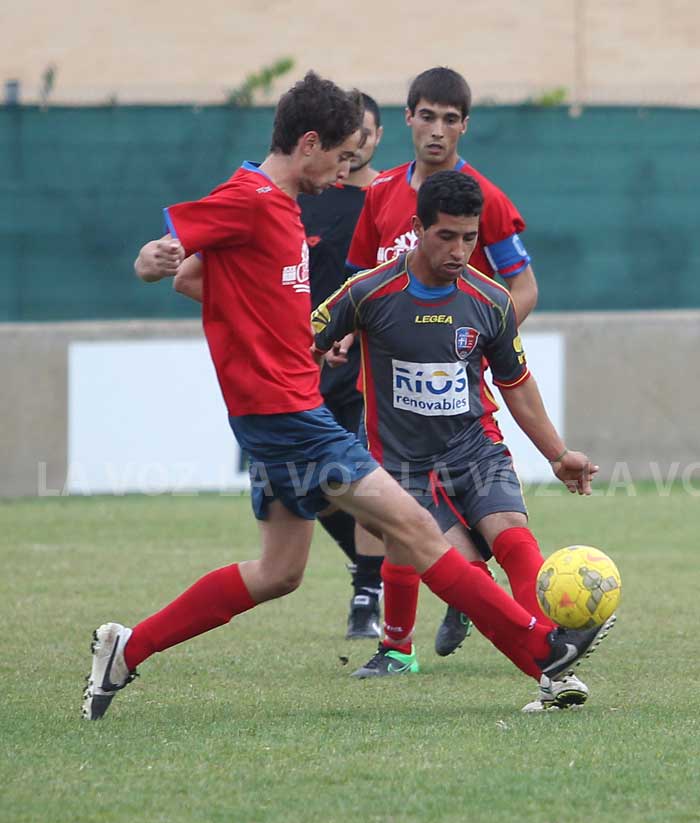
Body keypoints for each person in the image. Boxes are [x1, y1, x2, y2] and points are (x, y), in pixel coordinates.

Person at [83, 71, 612, 722]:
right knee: (415, 528)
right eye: (341, 156)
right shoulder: (250, 197)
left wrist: (288, 337)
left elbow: (211, 282)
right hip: (288, 416)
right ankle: (544, 654)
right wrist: (151, 257)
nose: (345, 172)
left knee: (278, 573)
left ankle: (127, 648)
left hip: (278, 412)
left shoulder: (284, 206)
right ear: (309, 144)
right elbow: (171, 263)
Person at [313, 169, 614, 709]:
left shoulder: (491, 300)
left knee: (514, 538)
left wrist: (558, 454)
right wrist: (307, 390)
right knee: (465, 575)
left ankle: (553, 661)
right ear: (417, 228)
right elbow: (300, 341)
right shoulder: (368, 292)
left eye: (469, 238)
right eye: (446, 236)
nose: (458, 250)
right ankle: (541, 660)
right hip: (402, 465)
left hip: (475, 447)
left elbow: (516, 383)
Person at [346, 66, 540, 657]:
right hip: (389, 397)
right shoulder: (380, 193)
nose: (436, 130)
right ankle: (419, 634)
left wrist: (473, 342)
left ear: (464, 126)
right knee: (400, 522)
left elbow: (522, 288)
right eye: (426, 116)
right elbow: (359, 284)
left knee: (468, 515)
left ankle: (520, 632)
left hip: (456, 395)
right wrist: (343, 336)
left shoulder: (486, 198)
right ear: (407, 118)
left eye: (449, 120)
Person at [298, 94, 386, 640]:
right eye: (348, 137)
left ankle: (368, 594)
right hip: (305, 364)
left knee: (365, 478)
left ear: (378, 136)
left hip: (367, 366)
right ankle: (367, 568)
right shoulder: (305, 196)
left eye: (366, 134)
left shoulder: (386, 197)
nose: (356, 146)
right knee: (309, 484)